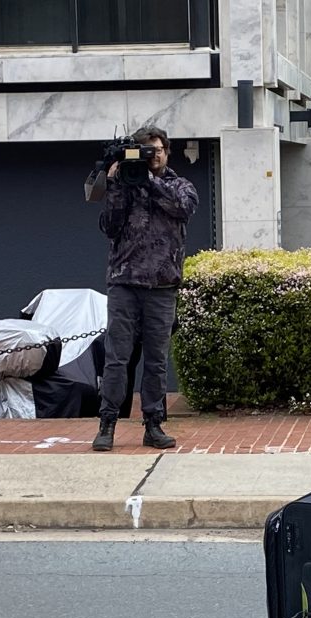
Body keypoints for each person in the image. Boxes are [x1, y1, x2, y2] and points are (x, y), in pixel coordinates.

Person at [92, 124, 198, 452]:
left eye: (159, 150)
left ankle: (153, 425)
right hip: (124, 282)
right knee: (117, 358)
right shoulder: (124, 184)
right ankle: (107, 423)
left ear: (167, 152)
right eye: (147, 151)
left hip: (163, 286)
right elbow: (109, 227)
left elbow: (183, 208)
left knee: (156, 361)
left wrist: (149, 182)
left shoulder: (179, 185)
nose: (155, 156)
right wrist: (115, 182)